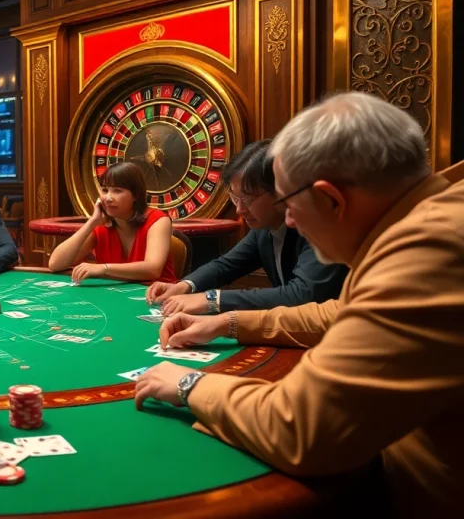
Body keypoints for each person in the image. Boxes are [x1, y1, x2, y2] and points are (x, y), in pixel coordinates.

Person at [133, 92, 464, 519]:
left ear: (330, 199)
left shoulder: (427, 252)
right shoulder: (434, 212)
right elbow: (337, 311)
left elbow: (302, 430)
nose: (289, 222)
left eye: (289, 204)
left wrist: (189, 385)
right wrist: (227, 323)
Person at [145, 141, 347, 315]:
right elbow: (226, 265)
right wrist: (184, 286)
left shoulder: (319, 226)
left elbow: (301, 295)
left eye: (248, 198)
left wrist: (212, 299)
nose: (240, 209)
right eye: (234, 197)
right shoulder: (263, 228)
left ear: (282, 191)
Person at [48, 161, 175, 283]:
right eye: (104, 190)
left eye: (117, 191)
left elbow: (152, 270)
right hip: (115, 296)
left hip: (158, 296)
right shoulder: (101, 226)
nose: (108, 198)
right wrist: (91, 222)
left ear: (136, 195)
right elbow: (56, 264)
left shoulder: (158, 220)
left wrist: (103, 268)